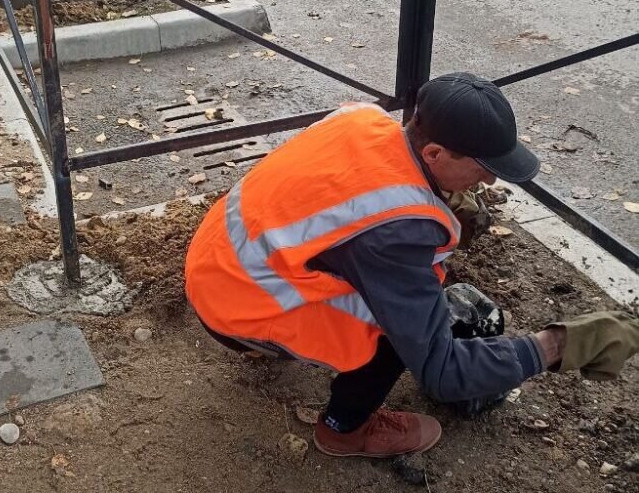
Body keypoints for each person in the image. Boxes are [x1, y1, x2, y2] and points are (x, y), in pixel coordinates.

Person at [186, 73, 563, 458]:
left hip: (216, 265)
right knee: (398, 330)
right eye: (482, 167)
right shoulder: (396, 230)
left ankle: (264, 341)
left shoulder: (364, 120)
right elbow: (441, 370)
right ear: (433, 154)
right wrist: (553, 345)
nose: (490, 178)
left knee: (403, 302)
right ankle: (345, 430)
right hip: (238, 307)